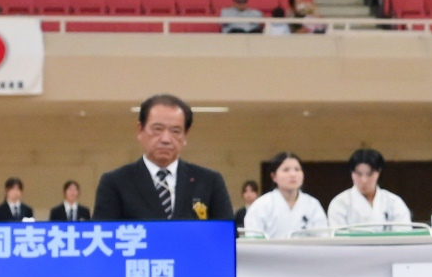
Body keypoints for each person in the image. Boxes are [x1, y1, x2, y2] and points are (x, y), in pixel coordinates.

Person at [93, 94, 233, 221]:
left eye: (175, 131)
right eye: (157, 129)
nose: (166, 139)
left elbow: (226, 234)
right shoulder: (115, 182)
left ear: (185, 135)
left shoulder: (209, 181)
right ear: (140, 130)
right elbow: (103, 233)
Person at [241, 151, 326, 238]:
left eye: (297, 169)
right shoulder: (261, 205)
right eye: (286, 170)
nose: (293, 174)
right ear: (274, 176)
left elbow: (323, 237)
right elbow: (253, 239)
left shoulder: (312, 204)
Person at [326, 146, 412, 229]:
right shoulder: (340, 203)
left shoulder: (394, 202)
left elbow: (404, 234)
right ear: (351, 173)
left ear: (379, 172)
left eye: (369, 174)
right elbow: (337, 236)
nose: (364, 180)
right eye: (358, 174)